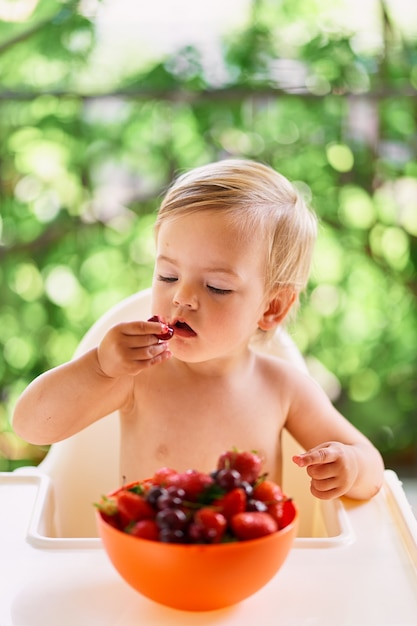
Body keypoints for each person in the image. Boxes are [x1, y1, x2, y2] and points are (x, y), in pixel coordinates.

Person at [13, 159, 384, 500]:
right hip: (149, 559)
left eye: (217, 287)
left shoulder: (283, 388)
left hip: (247, 564)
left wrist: (349, 467)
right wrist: (99, 367)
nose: (183, 297)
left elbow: (372, 468)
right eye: (168, 275)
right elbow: (31, 427)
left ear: (271, 307)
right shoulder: (138, 376)